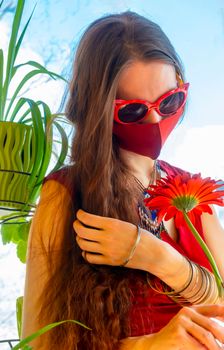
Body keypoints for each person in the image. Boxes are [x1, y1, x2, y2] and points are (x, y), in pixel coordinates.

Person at [21, 11, 224, 350]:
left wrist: (155, 255)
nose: (157, 120)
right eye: (133, 111)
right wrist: (148, 345)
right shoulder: (66, 194)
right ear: (98, 109)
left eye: (170, 101)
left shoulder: (193, 191)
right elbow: (39, 342)